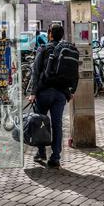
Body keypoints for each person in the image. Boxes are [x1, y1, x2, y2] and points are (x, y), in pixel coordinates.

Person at [27, 24, 78, 169]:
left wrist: (33, 93)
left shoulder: (43, 49)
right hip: (61, 94)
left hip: (44, 92)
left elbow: (36, 72)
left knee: (40, 122)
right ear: (61, 35)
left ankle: (41, 152)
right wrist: (72, 91)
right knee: (57, 125)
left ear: (50, 34)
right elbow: (75, 72)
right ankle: (55, 158)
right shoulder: (67, 50)